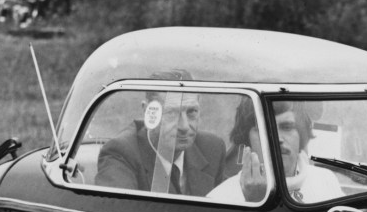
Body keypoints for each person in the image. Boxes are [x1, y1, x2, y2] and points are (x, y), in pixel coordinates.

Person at [95, 71, 227, 196]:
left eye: (191, 112)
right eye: (171, 113)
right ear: (148, 112)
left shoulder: (212, 149)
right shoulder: (121, 153)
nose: (184, 126)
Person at [208, 100, 342, 204]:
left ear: (302, 134)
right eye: (265, 129)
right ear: (247, 139)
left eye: (287, 127)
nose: (277, 139)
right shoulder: (220, 198)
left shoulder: (326, 180)